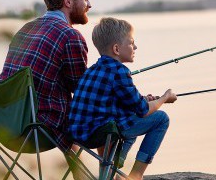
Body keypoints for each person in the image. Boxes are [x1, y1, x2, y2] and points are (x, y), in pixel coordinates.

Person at [68, 17, 178, 180]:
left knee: (128, 116)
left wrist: (143, 99)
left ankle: (112, 173)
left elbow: (121, 100)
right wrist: (164, 98)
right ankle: (136, 175)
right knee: (161, 119)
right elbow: (143, 110)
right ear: (117, 49)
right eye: (131, 42)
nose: (135, 47)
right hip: (101, 133)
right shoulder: (120, 72)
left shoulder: (91, 70)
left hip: (78, 134)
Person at [0, 0, 91, 152]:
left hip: (5, 125)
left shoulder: (25, 29)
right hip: (38, 130)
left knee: (68, 108)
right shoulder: (70, 36)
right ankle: (113, 176)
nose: (89, 4)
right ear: (68, 1)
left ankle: (80, 175)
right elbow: (83, 91)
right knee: (102, 112)